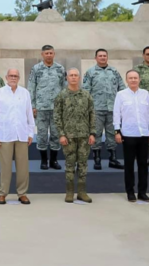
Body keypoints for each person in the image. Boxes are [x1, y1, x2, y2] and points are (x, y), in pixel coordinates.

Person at [0, 68, 34, 205]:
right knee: (5, 167)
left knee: (23, 167)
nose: (13, 78)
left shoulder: (25, 93)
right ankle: (2, 193)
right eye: (11, 75)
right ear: (6, 77)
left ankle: (22, 193)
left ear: (19, 78)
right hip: (4, 135)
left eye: (16, 76)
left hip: (21, 134)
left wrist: (31, 132)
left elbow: (29, 114)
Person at [113, 70, 149, 203]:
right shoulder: (121, 95)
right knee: (129, 164)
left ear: (139, 79)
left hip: (143, 134)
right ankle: (130, 192)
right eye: (130, 78)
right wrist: (117, 131)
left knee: (143, 164)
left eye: (135, 78)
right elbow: (116, 114)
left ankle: (142, 192)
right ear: (127, 80)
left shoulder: (145, 94)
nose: (133, 80)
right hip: (128, 134)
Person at [55, 68, 96, 203]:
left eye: (75, 75)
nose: (73, 77)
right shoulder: (61, 96)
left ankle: (82, 192)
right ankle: (70, 192)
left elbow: (92, 114)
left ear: (79, 78)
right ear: (67, 78)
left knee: (83, 164)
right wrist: (61, 134)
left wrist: (92, 133)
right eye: (71, 75)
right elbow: (57, 116)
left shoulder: (86, 95)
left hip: (84, 136)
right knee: (70, 164)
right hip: (68, 136)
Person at [82, 48, 125, 170]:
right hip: (97, 109)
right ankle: (97, 159)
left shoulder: (114, 71)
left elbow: (121, 88)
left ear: (107, 57)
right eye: (100, 56)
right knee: (96, 133)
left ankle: (112, 159)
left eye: (104, 56)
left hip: (113, 109)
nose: (102, 58)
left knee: (112, 134)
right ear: (96, 58)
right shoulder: (90, 72)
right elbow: (86, 91)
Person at [27, 45, 66, 170]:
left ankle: (53, 161)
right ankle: (44, 160)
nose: (49, 55)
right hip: (41, 108)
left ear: (54, 54)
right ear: (42, 54)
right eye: (46, 53)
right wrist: (32, 106)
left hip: (56, 108)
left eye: (51, 53)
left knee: (55, 134)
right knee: (42, 135)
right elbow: (31, 87)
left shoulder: (60, 68)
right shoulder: (36, 69)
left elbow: (64, 88)